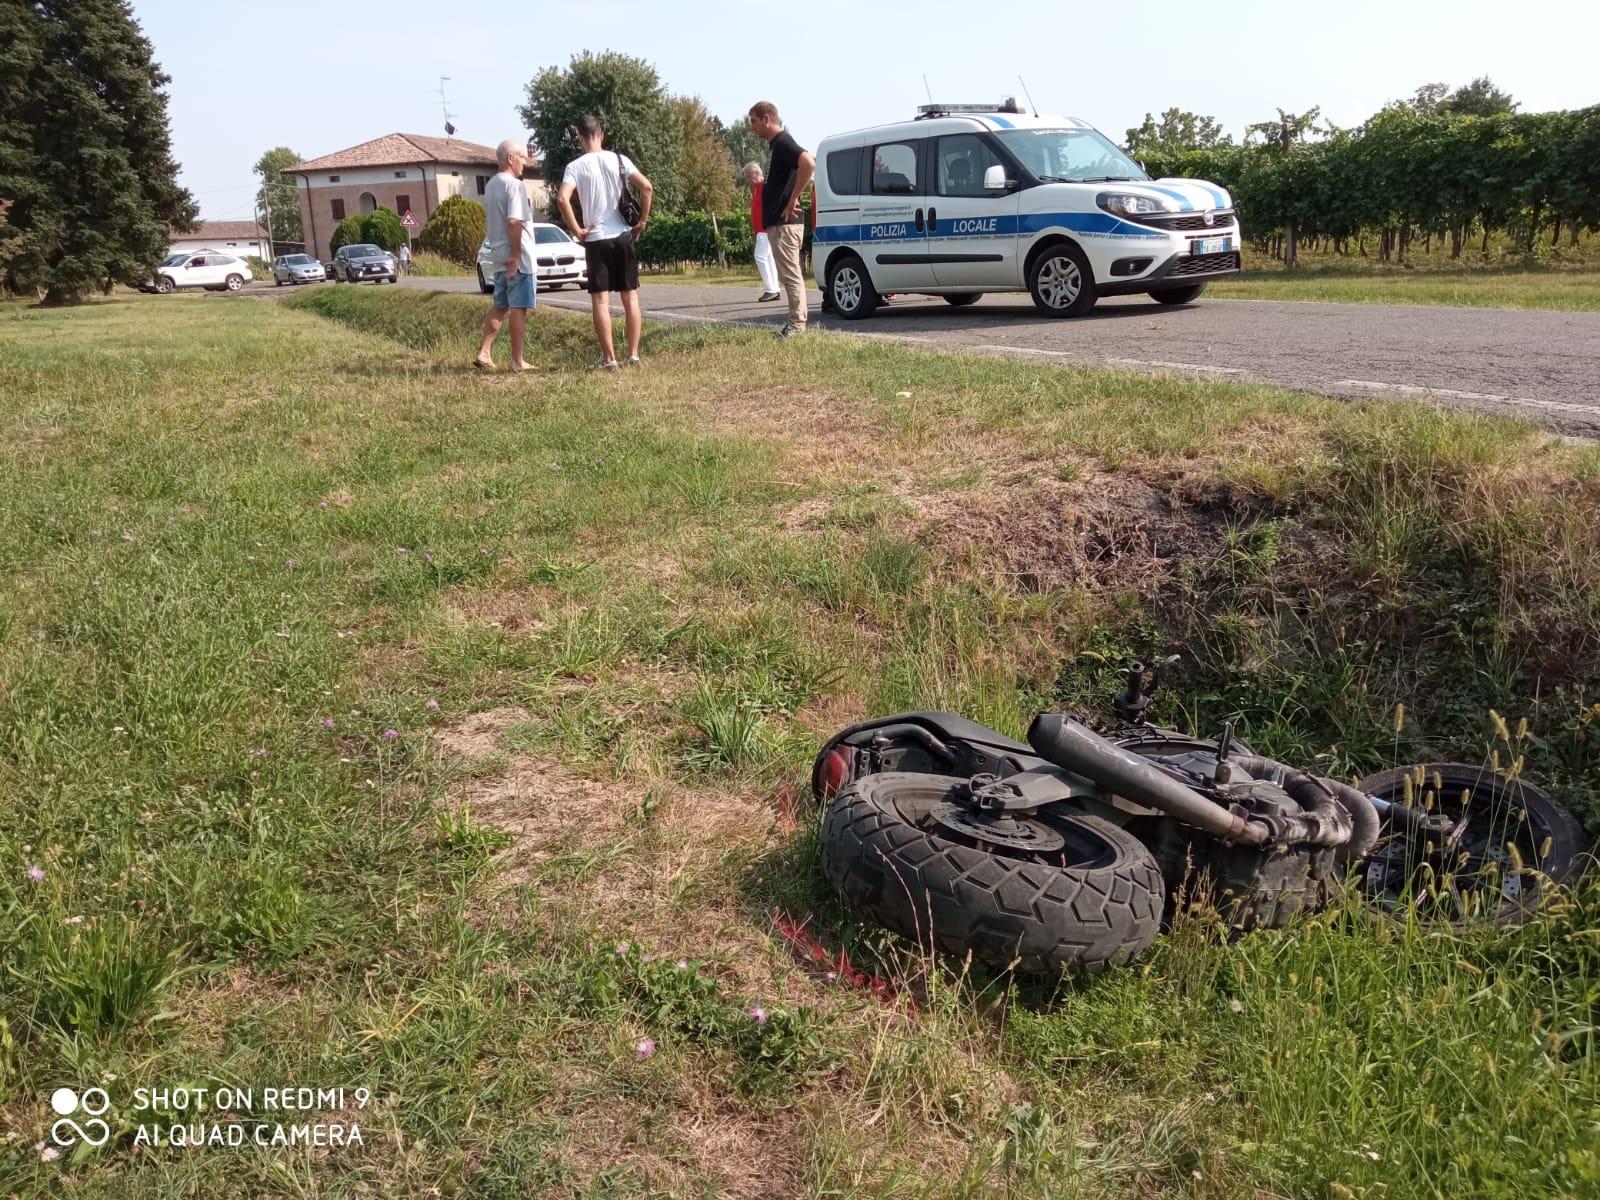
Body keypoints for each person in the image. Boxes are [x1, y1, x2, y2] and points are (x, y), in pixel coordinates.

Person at [557, 114, 653, 368]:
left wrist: (577, 229)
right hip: (623, 235)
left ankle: (609, 358)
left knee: (600, 300)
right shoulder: (620, 160)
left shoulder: (575, 166)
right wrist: (641, 221)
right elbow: (647, 188)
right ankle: (633, 354)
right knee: (630, 296)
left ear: (580, 138)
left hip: (596, 239)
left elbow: (562, 199)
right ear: (602, 135)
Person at [747, 100, 814, 338]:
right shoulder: (779, 145)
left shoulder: (784, 142)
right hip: (781, 223)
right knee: (789, 275)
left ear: (767, 118)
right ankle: (797, 322)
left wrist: (794, 198)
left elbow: (808, 162)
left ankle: (797, 324)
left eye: (754, 121)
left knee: (791, 275)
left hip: (785, 224)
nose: (752, 128)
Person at [474, 138, 537, 374]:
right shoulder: (515, 185)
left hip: (499, 256)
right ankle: (517, 361)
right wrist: (517, 255)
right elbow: (514, 221)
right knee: (519, 307)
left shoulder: (490, 186)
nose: (524, 162)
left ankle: (485, 351)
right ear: (510, 159)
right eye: (521, 157)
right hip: (516, 259)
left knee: (500, 305)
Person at [743, 162, 780, 302]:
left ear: (757, 173)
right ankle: (775, 289)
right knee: (769, 259)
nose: (748, 180)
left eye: (749, 176)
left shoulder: (764, 187)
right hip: (761, 230)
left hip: (765, 229)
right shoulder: (757, 188)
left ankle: (770, 289)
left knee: (760, 257)